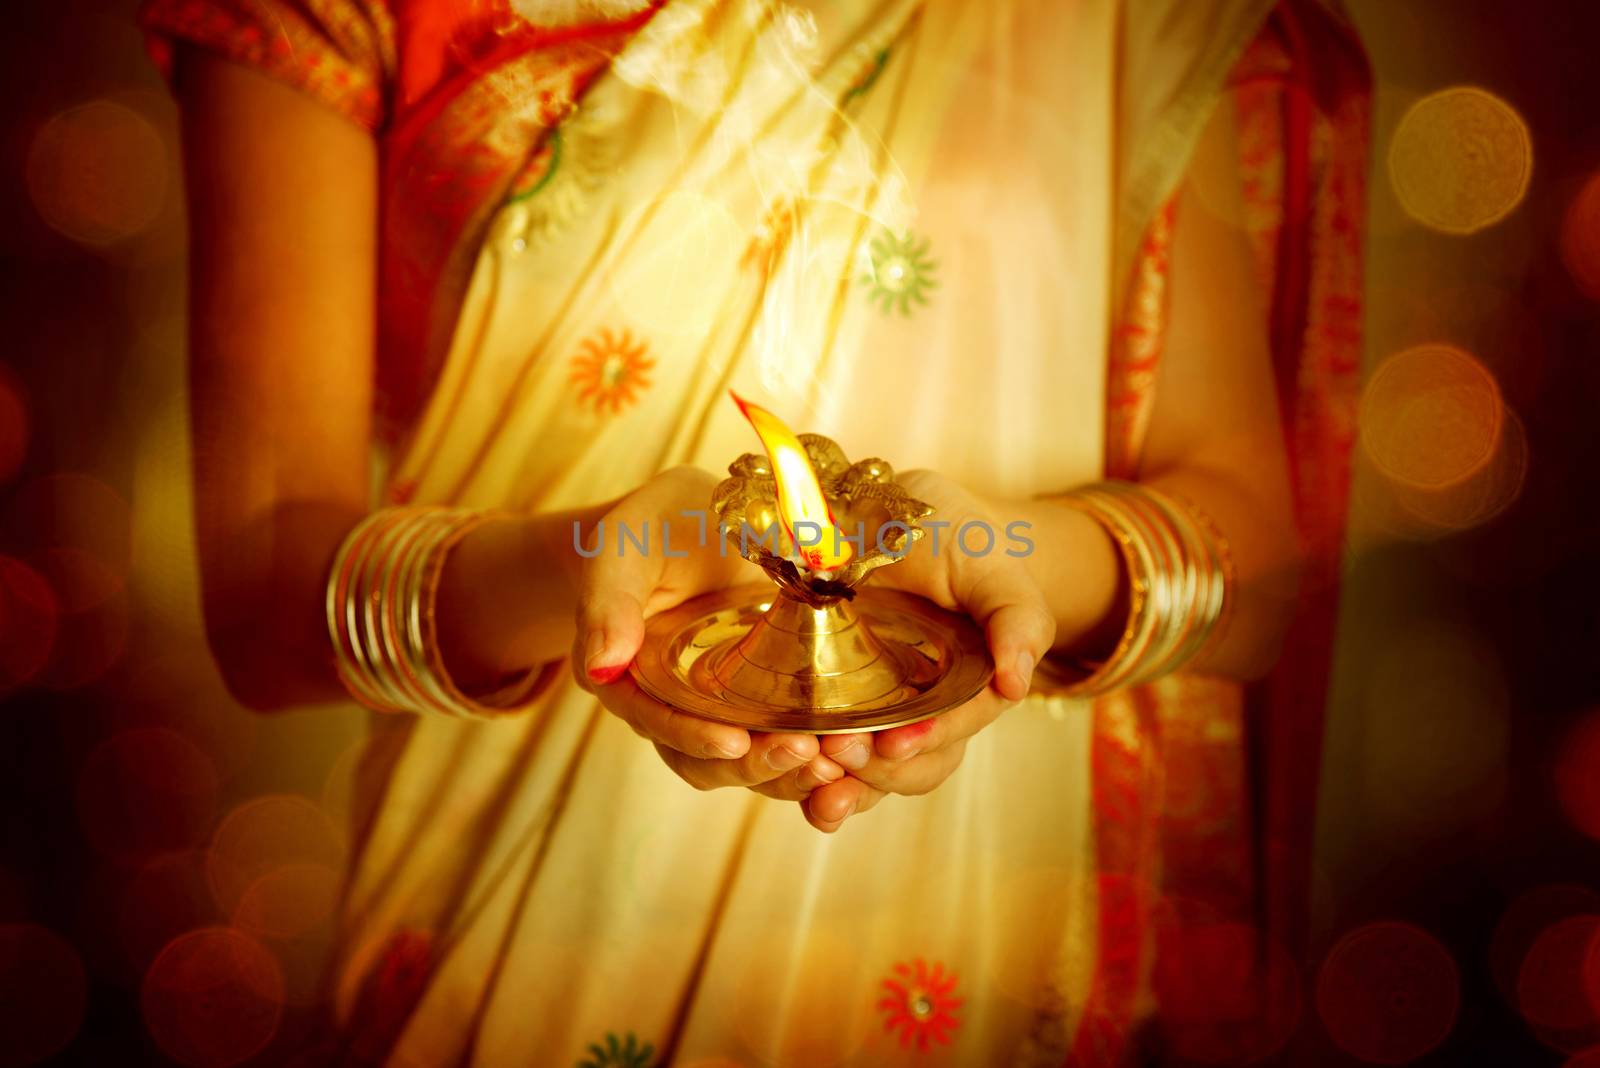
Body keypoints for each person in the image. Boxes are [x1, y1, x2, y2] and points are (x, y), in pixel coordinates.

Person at [142, 0, 1369, 1062]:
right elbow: (264, 604)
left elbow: (1255, 569)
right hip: (506, 949)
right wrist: (586, 574)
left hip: (991, 953)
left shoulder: (1103, 21)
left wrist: (1006, 569)